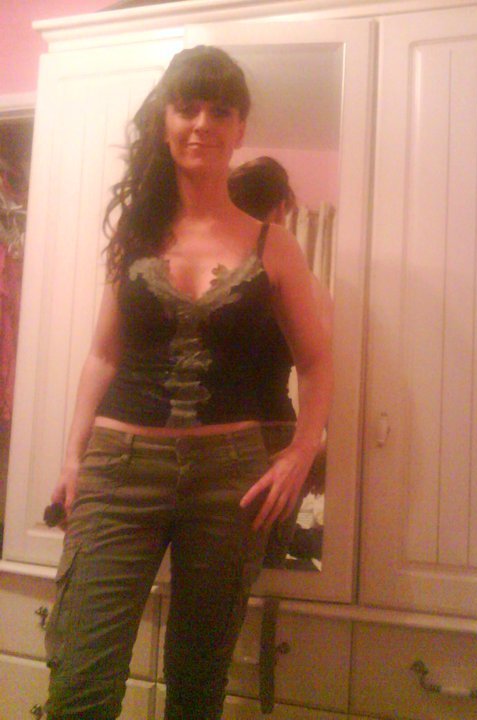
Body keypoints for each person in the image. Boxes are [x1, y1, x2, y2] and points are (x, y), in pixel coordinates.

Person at [43, 46, 333, 720]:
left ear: (239, 128)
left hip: (231, 481)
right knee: (80, 686)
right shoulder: (135, 233)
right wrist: (72, 457)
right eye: (188, 107)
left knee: (198, 689)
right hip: (118, 470)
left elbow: (318, 361)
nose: (203, 122)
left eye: (220, 110)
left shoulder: (274, 244)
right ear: (167, 121)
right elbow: (102, 356)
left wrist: (302, 450)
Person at [228, 156, 332, 568]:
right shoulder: (304, 284)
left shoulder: (208, 272)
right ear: (281, 209)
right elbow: (325, 365)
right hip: (274, 432)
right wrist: (314, 446)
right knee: (264, 563)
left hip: (208, 431)